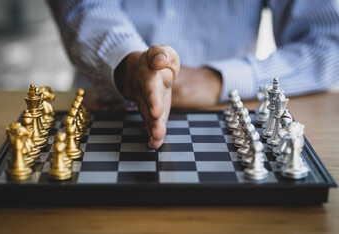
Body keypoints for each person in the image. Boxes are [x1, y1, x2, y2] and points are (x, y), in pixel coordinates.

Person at [48, 0, 339, 149]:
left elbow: (328, 40)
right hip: (105, 105)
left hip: (225, 115)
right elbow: (81, 7)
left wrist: (220, 79)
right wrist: (128, 67)